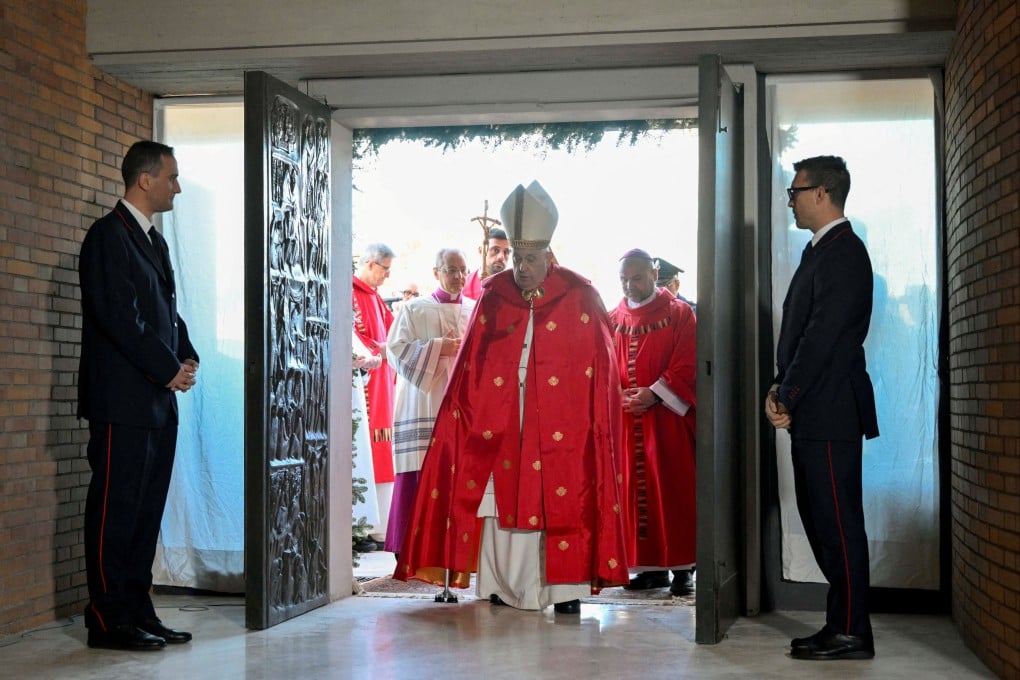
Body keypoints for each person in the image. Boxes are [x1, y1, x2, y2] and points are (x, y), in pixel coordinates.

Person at [395, 181, 630, 614]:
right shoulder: (493, 294)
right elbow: (470, 366)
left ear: (550, 257)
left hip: (565, 425)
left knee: (563, 494)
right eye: (517, 259)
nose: (521, 268)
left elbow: (602, 372)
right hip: (500, 419)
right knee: (496, 501)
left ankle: (565, 590)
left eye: (531, 259)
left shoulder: (581, 295)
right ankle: (500, 584)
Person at [77, 141, 199, 651]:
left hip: (155, 401)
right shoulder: (108, 236)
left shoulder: (153, 241)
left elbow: (165, 313)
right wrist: (166, 368)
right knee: (116, 509)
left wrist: (185, 355)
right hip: (121, 402)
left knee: (146, 511)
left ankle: (136, 607)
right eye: (171, 176)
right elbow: (120, 317)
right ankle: (107, 617)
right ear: (144, 180)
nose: (177, 185)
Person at [765, 155, 879, 661]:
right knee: (821, 521)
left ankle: (853, 630)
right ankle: (841, 623)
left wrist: (785, 395)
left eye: (795, 191)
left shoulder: (844, 253)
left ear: (822, 194)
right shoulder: (821, 251)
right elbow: (799, 339)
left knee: (838, 523)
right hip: (815, 408)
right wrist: (779, 388)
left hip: (831, 410)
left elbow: (822, 340)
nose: (790, 199)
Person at [610, 250, 697, 597]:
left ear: (654, 273)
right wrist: (618, 396)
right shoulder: (611, 317)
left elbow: (688, 361)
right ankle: (648, 569)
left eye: (637, 278)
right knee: (632, 494)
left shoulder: (678, 314)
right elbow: (601, 366)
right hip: (627, 419)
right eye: (624, 280)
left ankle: (681, 569)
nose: (630, 286)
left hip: (666, 421)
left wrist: (655, 393)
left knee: (673, 491)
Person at [384, 248, 475, 555]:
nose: (458, 277)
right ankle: (410, 547)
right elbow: (395, 350)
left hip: (462, 403)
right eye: (451, 270)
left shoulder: (475, 309)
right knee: (420, 468)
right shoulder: (414, 309)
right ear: (436, 272)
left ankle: (456, 549)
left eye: (463, 270)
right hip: (424, 400)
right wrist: (439, 347)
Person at [352, 243, 397, 548]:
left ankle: (378, 525)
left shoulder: (375, 297)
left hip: (383, 384)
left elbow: (392, 332)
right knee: (364, 451)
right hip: (364, 385)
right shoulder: (351, 292)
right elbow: (354, 336)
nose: (387, 276)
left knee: (382, 452)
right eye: (385, 269)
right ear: (370, 263)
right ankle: (360, 526)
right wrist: (378, 351)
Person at [462, 226, 511, 300]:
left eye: (506, 252)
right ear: (481, 251)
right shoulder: (463, 285)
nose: (501, 257)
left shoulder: (514, 288)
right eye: (495, 250)